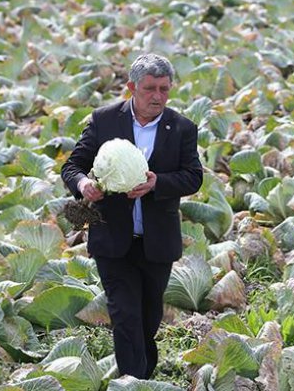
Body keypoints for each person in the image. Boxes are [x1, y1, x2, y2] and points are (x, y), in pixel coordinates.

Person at [61, 53, 203, 379]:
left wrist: (158, 183)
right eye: (150, 88)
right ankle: (132, 383)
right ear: (131, 88)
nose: (157, 96)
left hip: (157, 242)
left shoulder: (181, 128)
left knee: (148, 317)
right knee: (125, 315)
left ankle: (143, 376)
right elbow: (72, 166)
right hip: (113, 238)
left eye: (164, 89)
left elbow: (193, 177)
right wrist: (83, 184)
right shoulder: (104, 120)